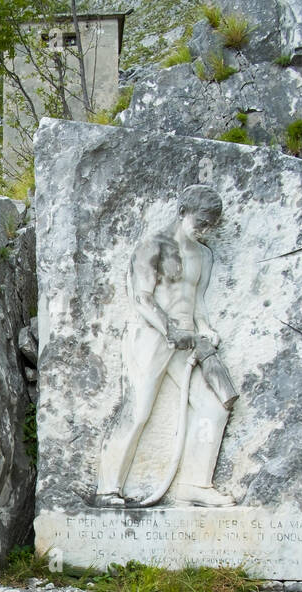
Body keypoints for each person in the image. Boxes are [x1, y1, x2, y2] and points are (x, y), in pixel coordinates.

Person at [97, 184, 238, 507]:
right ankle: (108, 488)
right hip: (150, 336)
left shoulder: (204, 255)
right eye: (200, 222)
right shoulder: (153, 246)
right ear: (182, 213)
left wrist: (206, 328)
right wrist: (169, 329)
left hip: (188, 340)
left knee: (214, 406)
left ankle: (195, 483)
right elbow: (142, 298)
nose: (204, 230)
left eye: (209, 225)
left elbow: (197, 300)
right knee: (138, 410)